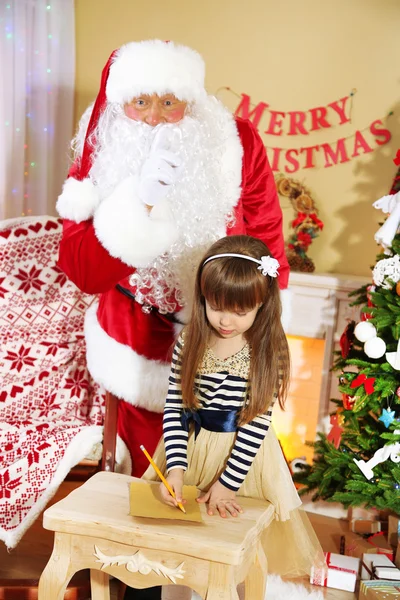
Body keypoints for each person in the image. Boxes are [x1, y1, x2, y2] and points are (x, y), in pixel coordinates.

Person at [56, 39, 290, 598]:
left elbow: (267, 243)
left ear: (192, 98)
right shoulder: (99, 155)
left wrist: (256, 326)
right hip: (136, 344)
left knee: (223, 502)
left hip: (226, 343)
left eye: (170, 102)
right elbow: (83, 270)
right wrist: (135, 203)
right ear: (119, 105)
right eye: (141, 103)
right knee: (150, 505)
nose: (155, 118)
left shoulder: (237, 143)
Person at [144, 235, 323, 598]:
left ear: (262, 303)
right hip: (191, 451)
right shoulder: (189, 340)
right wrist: (175, 469)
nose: (226, 320)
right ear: (203, 297)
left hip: (244, 460)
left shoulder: (268, 351)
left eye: (241, 311)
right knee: (177, 549)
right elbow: (177, 409)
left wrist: (227, 484)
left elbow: (256, 425)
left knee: (234, 555)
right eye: (216, 306)